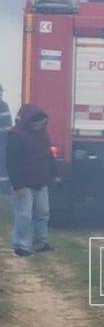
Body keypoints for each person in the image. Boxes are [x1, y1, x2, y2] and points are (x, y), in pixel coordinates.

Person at [6, 104, 57, 257]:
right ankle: (20, 246)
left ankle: (40, 243)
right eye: (39, 124)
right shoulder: (15, 135)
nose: (41, 126)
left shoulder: (42, 134)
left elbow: (49, 156)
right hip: (23, 184)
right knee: (24, 215)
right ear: (30, 121)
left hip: (41, 182)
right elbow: (11, 162)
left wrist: (54, 174)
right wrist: (17, 185)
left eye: (43, 124)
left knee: (43, 214)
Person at [0, 84, 12, 194]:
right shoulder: (3, 106)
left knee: (3, 165)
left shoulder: (3, 106)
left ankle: (4, 190)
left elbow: (8, 126)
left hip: (2, 143)